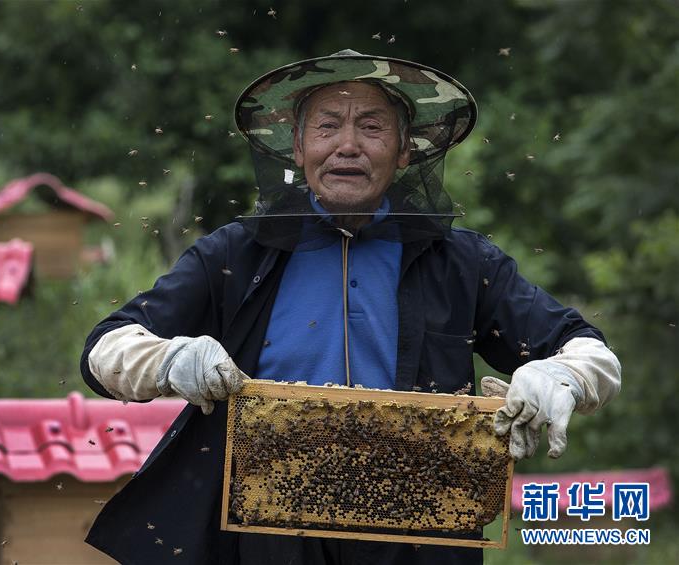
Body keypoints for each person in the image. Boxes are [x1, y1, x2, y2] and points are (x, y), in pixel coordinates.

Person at [79, 50, 621, 565]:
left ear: (405, 150)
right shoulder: (238, 254)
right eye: (327, 125)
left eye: (371, 126)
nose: (348, 145)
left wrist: (558, 378)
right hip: (266, 531)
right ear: (296, 147)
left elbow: (588, 350)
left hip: (417, 535)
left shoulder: (459, 261)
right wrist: (173, 361)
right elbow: (107, 346)